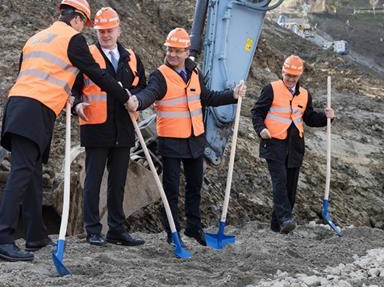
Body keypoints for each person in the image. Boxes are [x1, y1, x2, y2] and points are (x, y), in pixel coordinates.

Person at [0, 0, 137, 262]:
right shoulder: (73, 39)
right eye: (84, 23)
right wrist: (124, 96)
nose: (84, 29)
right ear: (78, 18)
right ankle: (2, 238)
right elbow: (97, 74)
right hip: (36, 110)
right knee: (22, 172)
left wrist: (65, 94)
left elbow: (32, 74)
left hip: (19, 107)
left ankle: (35, 235)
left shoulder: (36, 38)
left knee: (33, 172)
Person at [129, 28, 246, 246]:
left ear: (186, 52)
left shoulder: (194, 73)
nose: (172, 54)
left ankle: (194, 227)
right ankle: (172, 232)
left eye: (177, 51)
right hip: (171, 141)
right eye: (169, 50)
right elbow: (150, 93)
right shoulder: (160, 75)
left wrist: (233, 95)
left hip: (194, 139)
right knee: (171, 190)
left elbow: (208, 97)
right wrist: (137, 101)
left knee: (195, 186)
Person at [72, 7, 146, 247]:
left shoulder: (132, 57)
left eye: (109, 30)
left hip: (123, 128)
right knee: (92, 181)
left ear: (118, 30)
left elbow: (141, 87)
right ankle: (92, 230)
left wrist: (136, 98)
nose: (105, 35)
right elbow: (73, 90)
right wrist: (76, 107)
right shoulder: (87, 55)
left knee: (118, 181)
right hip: (96, 127)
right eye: (101, 31)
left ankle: (116, 230)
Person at [251, 55, 335, 234]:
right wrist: (261, 129)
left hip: (295, 146)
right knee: (279, 182)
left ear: (299, 76)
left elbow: (310, 118)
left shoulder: (304, 94)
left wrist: (327, 117)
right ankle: (285, 218)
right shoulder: (271, 89)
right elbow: (257, 112)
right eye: (287, 75)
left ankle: (277, 226)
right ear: (282, 71)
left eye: (294, 76)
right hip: (273, 142)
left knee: (290, 187)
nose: (290, 79)